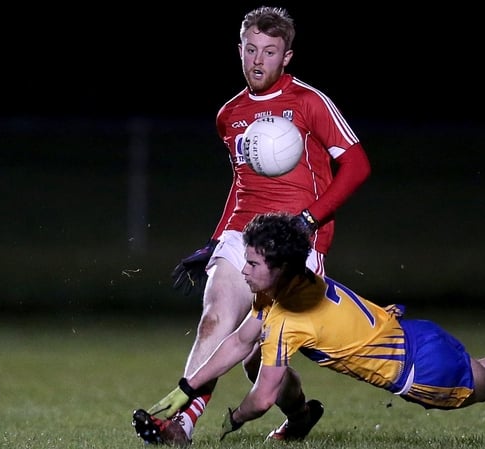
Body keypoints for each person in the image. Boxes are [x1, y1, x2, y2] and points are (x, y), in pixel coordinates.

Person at [134, 212, 485, 444]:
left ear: (278, 267)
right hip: (414, 336)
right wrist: (186, 388)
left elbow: (264, 395)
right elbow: (239, 340)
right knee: (484, 369)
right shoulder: (294, 284)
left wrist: (235, 419)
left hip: (422, 374)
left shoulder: (286, 322)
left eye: (251, 262)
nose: (243, 268)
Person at [134, 6, 371, 446]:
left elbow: (357, 166)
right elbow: (241, 182)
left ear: (287, 57)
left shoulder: (309, 102)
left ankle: (300, 413)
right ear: (239, 51)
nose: (258, 60)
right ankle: (180, 425)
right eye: (251, 49)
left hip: (296, 243)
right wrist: (214, 239)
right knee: (215, 322)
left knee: (257, 360)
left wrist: (309, 219)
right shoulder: (230, 114)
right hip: (243, 233)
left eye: (270, 51)